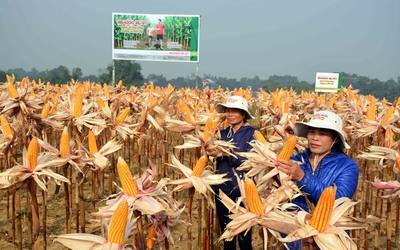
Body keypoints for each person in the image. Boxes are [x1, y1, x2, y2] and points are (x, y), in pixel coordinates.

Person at [276, 110, 359, 249]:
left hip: (328, 239)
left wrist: (303, 177)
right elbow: (284, 194)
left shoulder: (348, 166)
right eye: (312, 132)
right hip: (295, 236)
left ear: (336, 139)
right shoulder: (296, 160)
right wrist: (275, 193)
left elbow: (338, 200)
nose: (315, 138)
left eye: (322, 133)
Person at [212, 96, 256, 250]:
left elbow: (252, 160)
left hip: (243, 191)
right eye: (228, 111)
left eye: (234, 111)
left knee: (244, 235)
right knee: (228, 234)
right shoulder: (222, 133)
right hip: (222, 189)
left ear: (243, 114)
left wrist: (229, 154)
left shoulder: (253, 134)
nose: (230, 114)